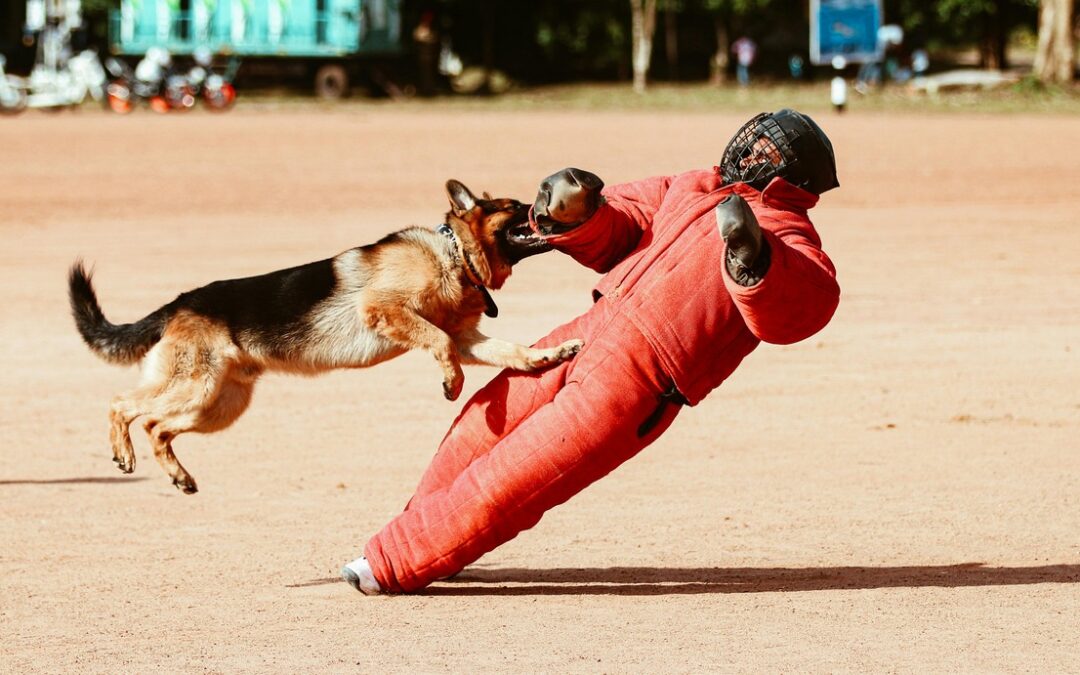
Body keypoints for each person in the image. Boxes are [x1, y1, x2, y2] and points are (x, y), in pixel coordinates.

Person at [342, 109, 842, 594]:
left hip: (640, 380)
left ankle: (391, 563)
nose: (750, 148)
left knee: (514, 476)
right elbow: (626, 221)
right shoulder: (696, 184)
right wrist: (579, 211)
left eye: (768, 148)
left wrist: (755, 258)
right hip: (588, 331)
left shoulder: (790, 234)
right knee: (479, 425)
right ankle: (428, 541)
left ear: (792, 176)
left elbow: (805, 306)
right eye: (756, 136)